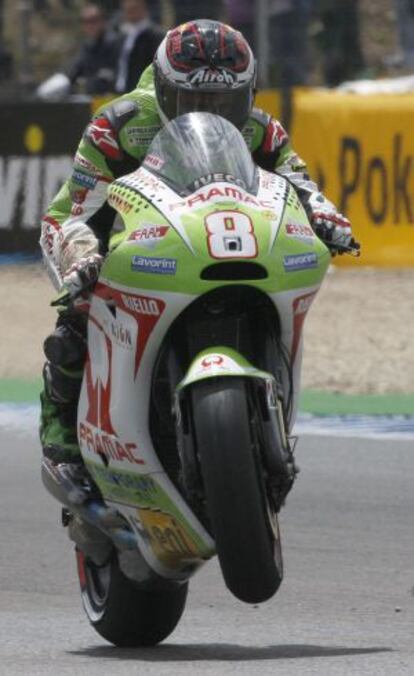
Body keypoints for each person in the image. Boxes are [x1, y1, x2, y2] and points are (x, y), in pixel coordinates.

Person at [39, 19, 355, 495]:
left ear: (247, 94)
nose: (211, 112)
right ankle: (61, 446)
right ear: (165, 90)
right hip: (133, 244)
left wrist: (327, 216)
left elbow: (302, 184)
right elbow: (66, 214)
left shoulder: (261, 129)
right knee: (75, 318)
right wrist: (81, 256)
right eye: (195, 100)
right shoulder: (119, 124)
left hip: (222, 238)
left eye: (225, 103)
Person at [37, 4, 121, 99]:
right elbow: (73, 71)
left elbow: (114, 76)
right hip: (92, 100)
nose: (90, 25)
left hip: (113, 99)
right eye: (85, 21)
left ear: (102, 21)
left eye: (93, 21)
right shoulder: (88, 46)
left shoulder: (115, 44)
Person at [114, 0, 164, 93]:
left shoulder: (155, 36)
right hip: (120, 90)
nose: (130, 11)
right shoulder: (122, 35)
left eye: (134, 8)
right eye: (127, 9)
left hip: (141, 91)